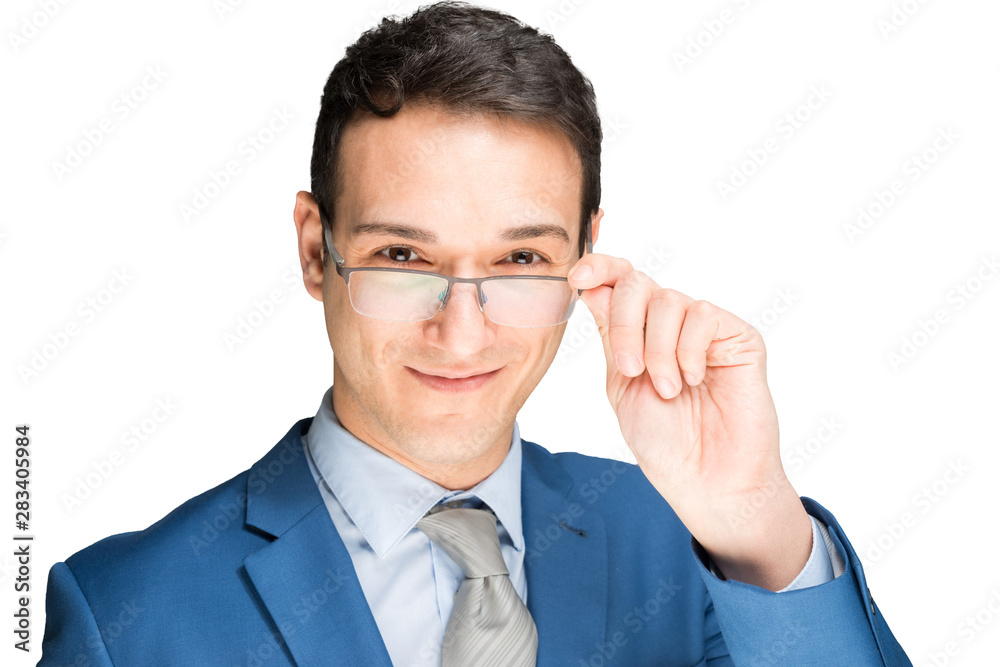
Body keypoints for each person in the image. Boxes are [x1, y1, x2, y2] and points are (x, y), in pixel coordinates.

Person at [38, 2, 911, 665]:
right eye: (403, 255)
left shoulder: (693, 548)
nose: (461, 332)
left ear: (585, 259)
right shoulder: (127, 614)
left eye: (520, 259)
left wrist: (756, 514)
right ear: (314, 250)